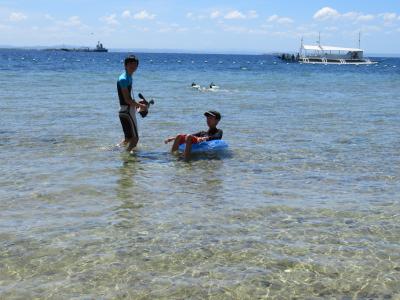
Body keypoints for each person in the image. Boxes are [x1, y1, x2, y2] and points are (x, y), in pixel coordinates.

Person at [117, 55, 147, 152]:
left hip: (125, 110)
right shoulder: (124, 79)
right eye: (130, 64)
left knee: (128, 139)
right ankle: (127, 158)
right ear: (125, 65)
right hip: (127, 112)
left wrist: (138, 105)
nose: (133, 67)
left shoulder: (129, 77)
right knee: (135, 139)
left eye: (135, 65)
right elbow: (127, 100)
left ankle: (114, 150)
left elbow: (128, 99)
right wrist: (140, 105)